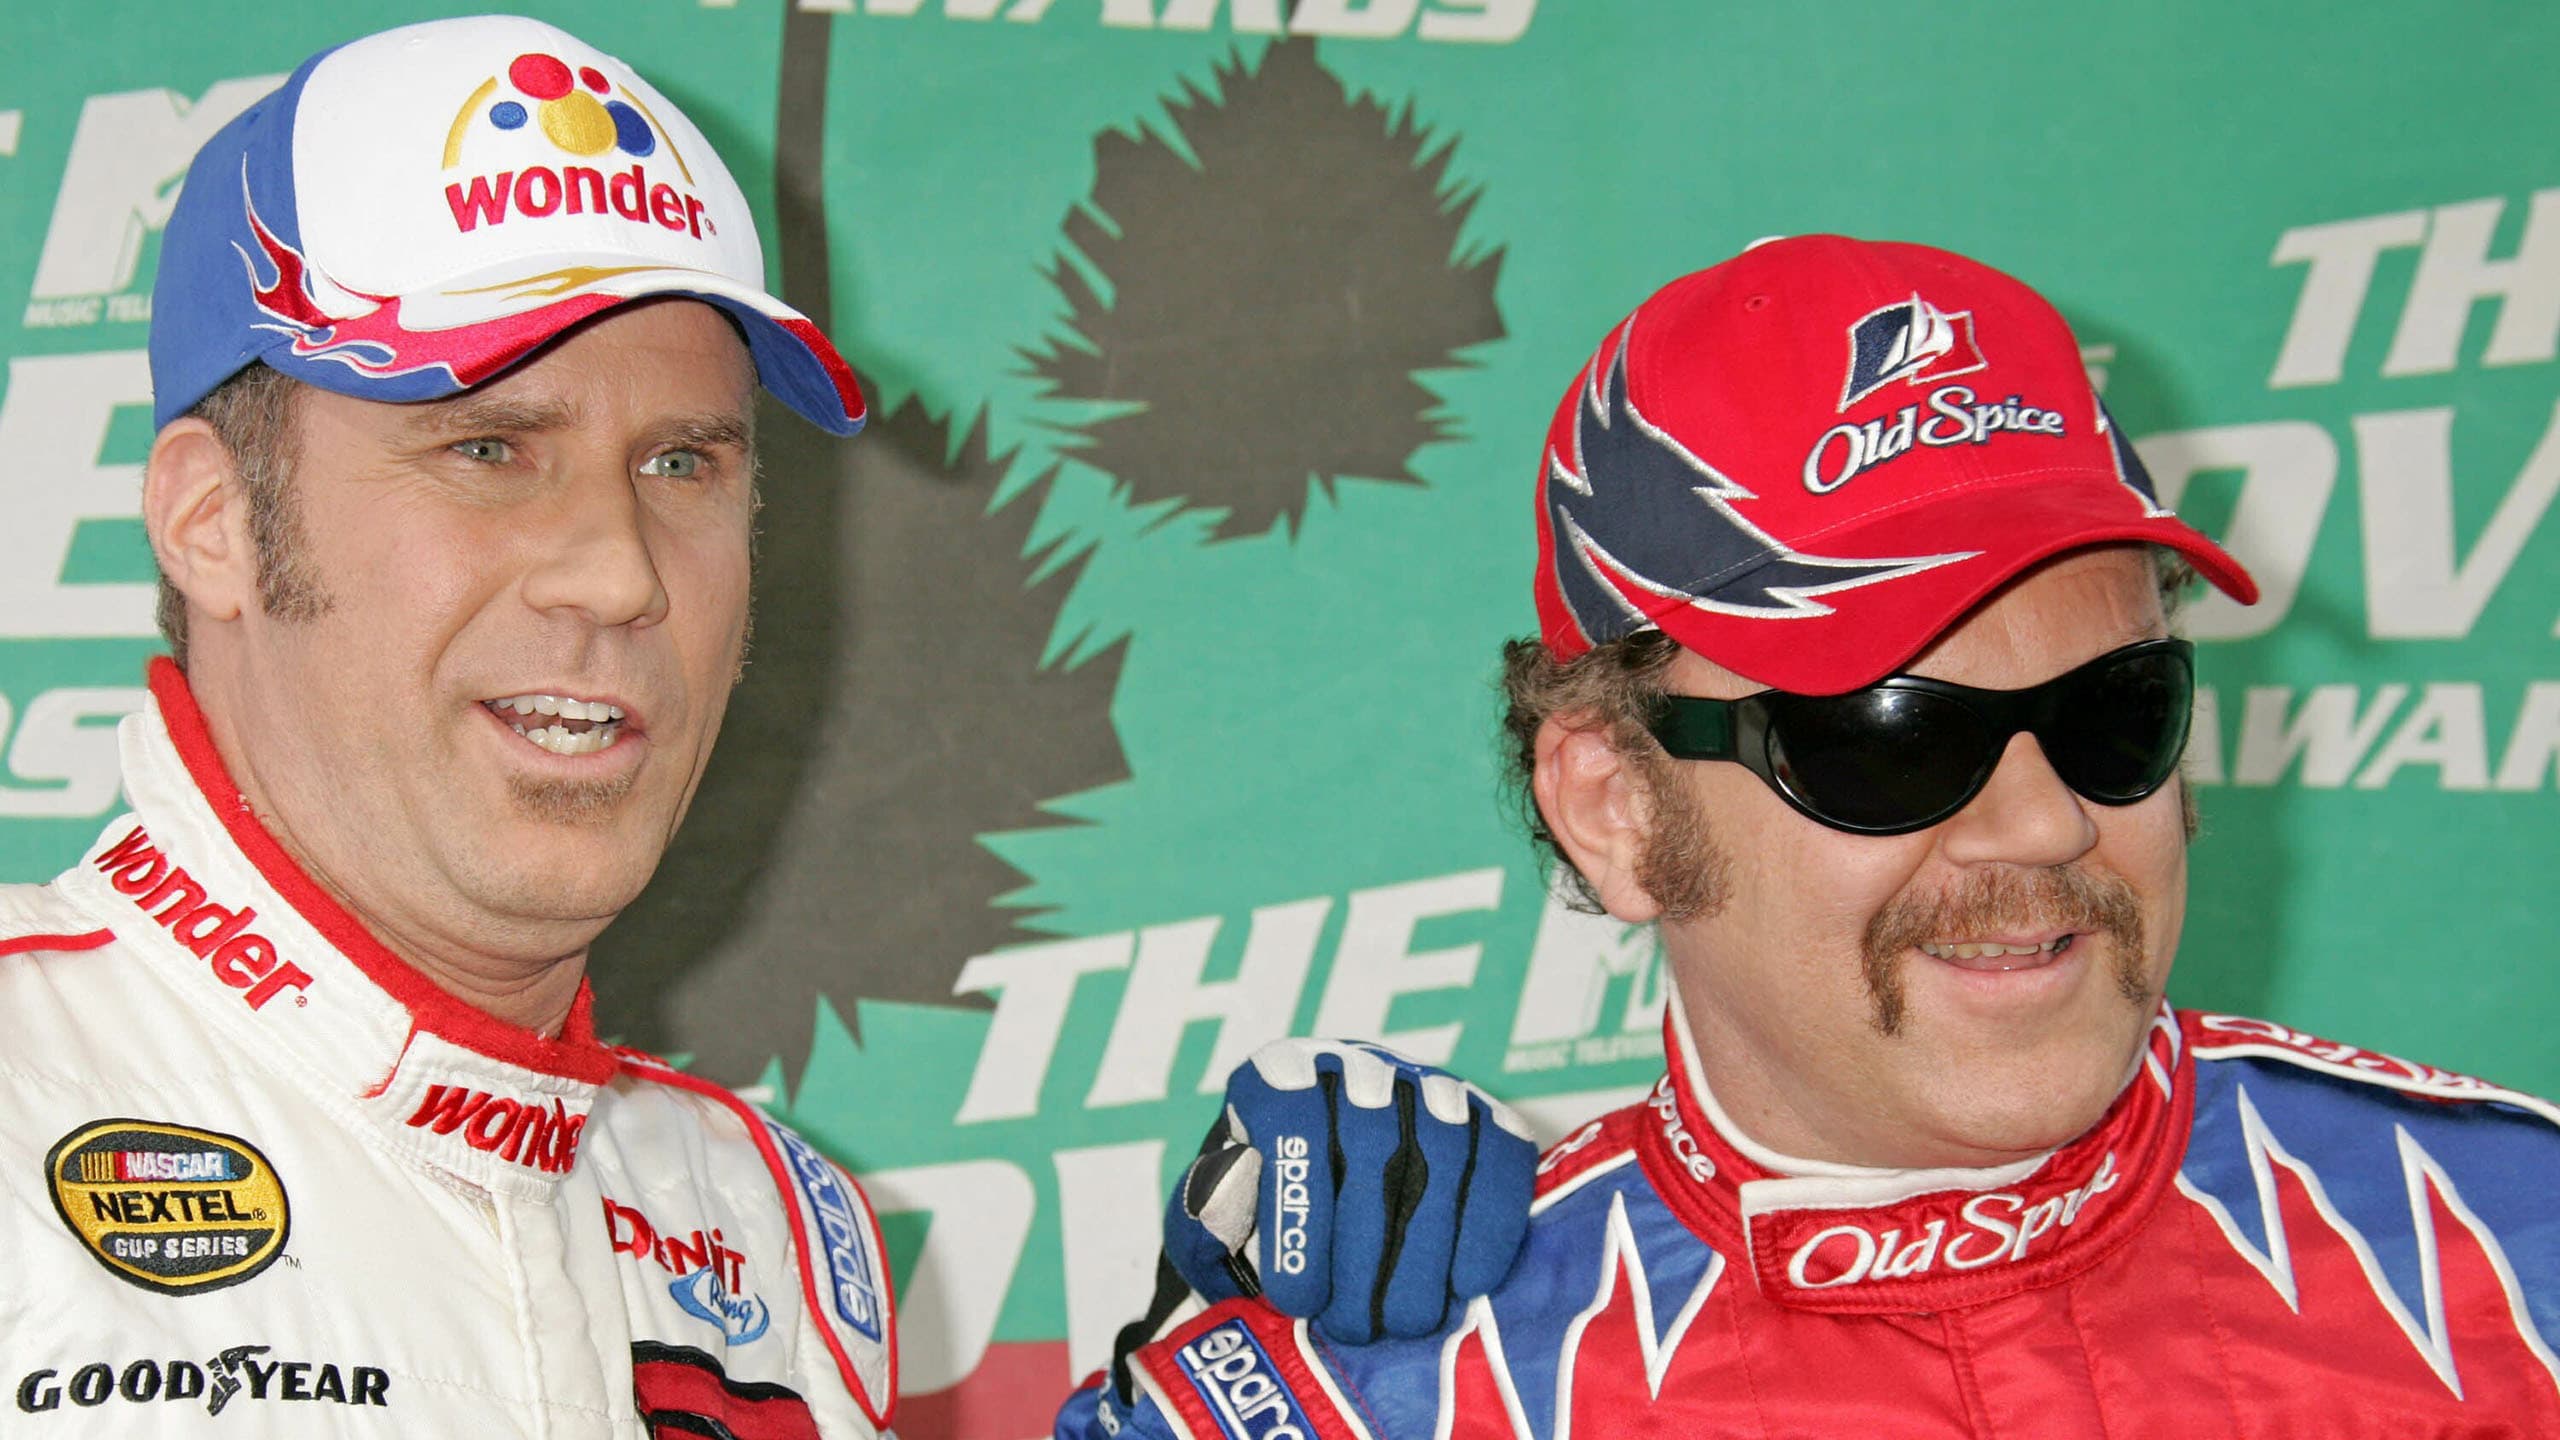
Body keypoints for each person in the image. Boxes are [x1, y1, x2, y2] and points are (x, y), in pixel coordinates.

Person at [0, 15, 1529, 1436]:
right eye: (488, 449)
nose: (620, 573)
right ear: (210, 523)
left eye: (683, 464)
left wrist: (1209, 1392)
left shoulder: (767, 1223)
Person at [1066, 236, 2560, 1437]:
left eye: (2117, 712)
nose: (2047, 819)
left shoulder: (2514, 1246)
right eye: (1890, 736)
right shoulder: (1390, 1398)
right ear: (1616, 807)